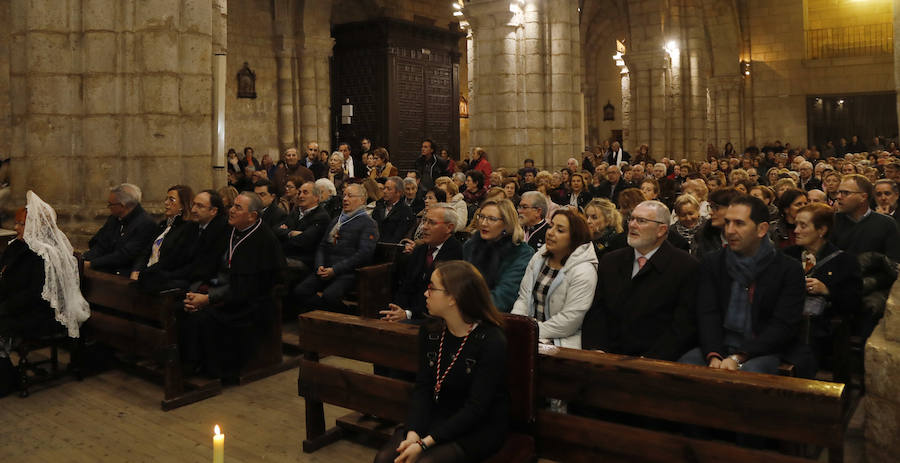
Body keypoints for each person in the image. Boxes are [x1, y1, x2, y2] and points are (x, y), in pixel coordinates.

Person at [373, 261, 508, 463]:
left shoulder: (491, 340)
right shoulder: (431, 330)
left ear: (453, 298)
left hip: (478, 426)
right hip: (437, 415)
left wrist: (425, 443)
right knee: (384, 459)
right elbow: (423, 388)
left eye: (431, 288)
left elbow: (476, 408)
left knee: (425, 462)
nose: (426, 294)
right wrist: (413, 434)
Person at [679, 196, 805, 376]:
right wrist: (713, 355)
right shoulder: (713, 263)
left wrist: (739, 356)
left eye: (739, 224)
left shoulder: (788, 269)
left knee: (749, 375)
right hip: (719, 345)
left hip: (765, 349)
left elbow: (783, 325)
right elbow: (707, 313)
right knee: (686, 367)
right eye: (728, 222)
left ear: (761, 229)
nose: (729, 230)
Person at [180, 192, 286, 379]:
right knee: (182, 307)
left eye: (238, 207)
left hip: (250, 303)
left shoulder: (263, 240)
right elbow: (213, 267)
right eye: (232, 206)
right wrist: (198, 291)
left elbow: (247, 287)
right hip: (226, 291)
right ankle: (188, 362)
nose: (231, 210)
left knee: (203, 317)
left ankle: (212, 369)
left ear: (252, 216)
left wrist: (207, 298)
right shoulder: (232, 230)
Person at [582, 201, 699, 360]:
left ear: (661, 230)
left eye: (641, 221)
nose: (632, 225)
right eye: (632, 219)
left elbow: (682, 326)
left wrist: (649, 359)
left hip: (655, 363)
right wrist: (596, 348)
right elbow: (597, 311)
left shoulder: (685, 267)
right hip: (606, 357)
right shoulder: (611, 261)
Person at [1, 193, 90, 382]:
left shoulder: (45, 255)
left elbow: (35, 295)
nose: (15, 228)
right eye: (16, 223)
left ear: (36, 225)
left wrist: (4, 307)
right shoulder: (17, 246)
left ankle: (6, 376)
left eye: (21, 224)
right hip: (15, 305)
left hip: (39, 313)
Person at [784, 203, 861, 376]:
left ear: (822, 230)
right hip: (786, 320)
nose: (795, 230)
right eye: (796, 224)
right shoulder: (787, 256)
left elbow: (853, 302)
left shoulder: (844, 261)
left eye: (803, 226)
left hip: (822, 329)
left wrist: (826, 290)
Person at [512, 209, 597, 348]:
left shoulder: (584, 270)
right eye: (551, 226)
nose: (550, 232)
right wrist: (516, 324)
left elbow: (570, 320)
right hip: (529, 332)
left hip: (562, 340)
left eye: (560, 230)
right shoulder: (539, 257)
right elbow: (524, 298)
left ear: (574, 237)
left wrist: (530, 331)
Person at [293, 184, 378, 313]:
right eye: (344, 195)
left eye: (350, 196)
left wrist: (335, 270)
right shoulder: (336, 220)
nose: (345, 199)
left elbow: (363, 254)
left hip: (348, 272)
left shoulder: (368, 223)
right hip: (326, 269)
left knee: (329, 296)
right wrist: (319, 266)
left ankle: (348, 315)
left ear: (361, 200)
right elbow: (322, 246)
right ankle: (326, 317)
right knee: (300, 292)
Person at [381, 204, 463, 323]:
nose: (424, 227)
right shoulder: (420, 250)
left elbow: (443, 300)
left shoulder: (455, 253)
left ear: (449, 228)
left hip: (435, 318)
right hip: (409, 312)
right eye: (424, 221)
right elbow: (406, 286)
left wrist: (407, 314)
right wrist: (397, 309)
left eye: (432, 223)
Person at [462, 199, 534, 312]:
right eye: (481, 217)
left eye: (492, 219)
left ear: (507, 224)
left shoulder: (521, 252)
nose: (484, 223)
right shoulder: (471, 246)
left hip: (497, 317)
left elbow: (504, 296)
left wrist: (467, 309)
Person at [131, 185, 197, 292]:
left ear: (183, 205)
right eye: (166, 199)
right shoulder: (162, 225)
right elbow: (146, 251)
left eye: (171, 199)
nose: (166, 203)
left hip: (164, 276)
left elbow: (173, 259)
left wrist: (146, 273)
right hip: (148, 273)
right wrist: (136, 270)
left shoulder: (188, 227)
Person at [83, 183, 158, 275]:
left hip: (124, 272)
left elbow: (126, 255)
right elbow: (101, 244)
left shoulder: (146, 223)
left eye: (110, 204)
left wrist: (92, 264)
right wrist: (83, 259)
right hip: (104, 267)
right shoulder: (114, 219)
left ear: (122, 205)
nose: (109, 207)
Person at [831, 174, 900, 261]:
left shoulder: (887, 224)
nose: (838, 197)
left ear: (863, 197)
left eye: (846, 193)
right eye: (839, 192)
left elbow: (894, 263)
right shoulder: (831, 221)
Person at [278, 181, 332, 282]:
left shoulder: (321, 217)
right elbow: (277, 231)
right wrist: (291, 233)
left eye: (305, 192)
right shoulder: (296, 212)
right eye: (299, 192)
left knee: (273, 264)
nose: (300, 196)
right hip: (288, 254)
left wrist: (286, 233)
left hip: (305, 260)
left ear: (316, 197)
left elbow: (305, 241)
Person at [690, 187, 741, 259]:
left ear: (733, 208)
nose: (710, 212)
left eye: (716, 208)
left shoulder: (749, 239)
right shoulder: (703, 235)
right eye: (711, 207)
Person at [372, 176, 416, 244]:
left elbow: (399, 236)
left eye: (388, 189)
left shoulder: (405, 211)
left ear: (398, 192)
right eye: (384, 188)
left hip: (392, 248)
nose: (384, 191)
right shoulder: (378, 207)